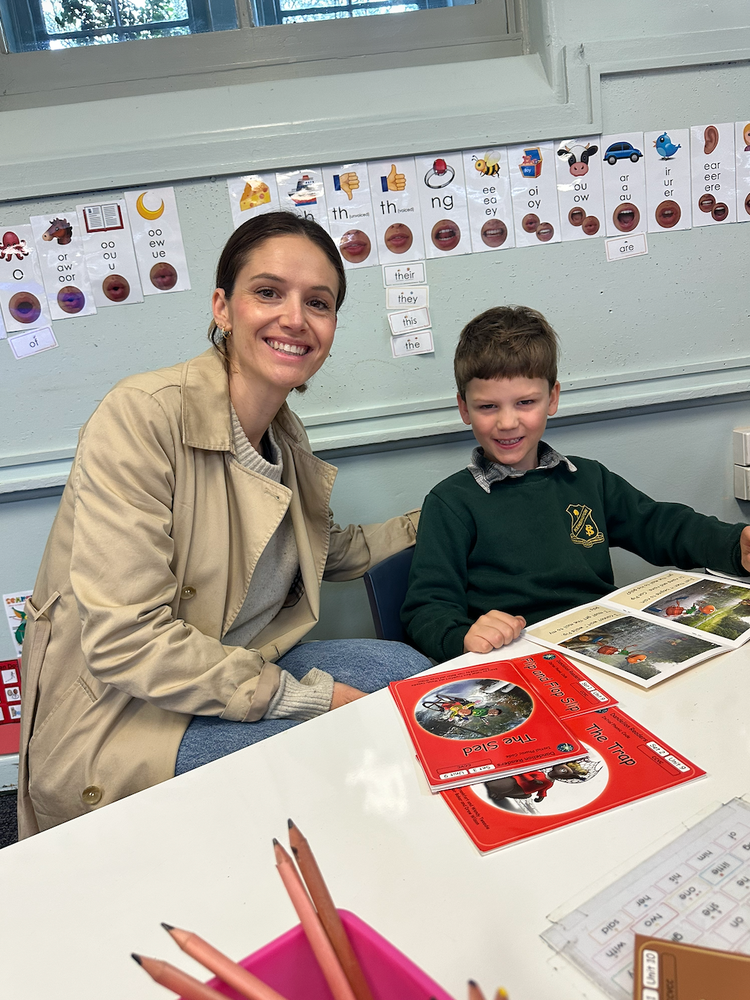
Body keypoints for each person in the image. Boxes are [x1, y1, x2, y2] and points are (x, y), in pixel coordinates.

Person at [18, 212, 430, 837]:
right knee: (340, 760)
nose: (295, 317)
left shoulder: (282, 437)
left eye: (317, 302)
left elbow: (324, 550)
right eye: (268, 292)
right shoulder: (141, 416)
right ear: (222, 308)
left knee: (403, 672)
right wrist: (311, 700)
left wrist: (444, 515)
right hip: (125, 717)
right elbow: (128, 641)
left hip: (226, 669)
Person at [401, 305, 750, 662]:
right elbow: (426, 609)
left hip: (606, 647)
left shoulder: (587, 479)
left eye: (525, 402)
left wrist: (734, 543)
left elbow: (660, 525)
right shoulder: (450, 502)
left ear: (552, 398)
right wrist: (462, 636)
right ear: (464, 408)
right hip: (518, 659)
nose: (507, 422)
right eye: (488, 407)